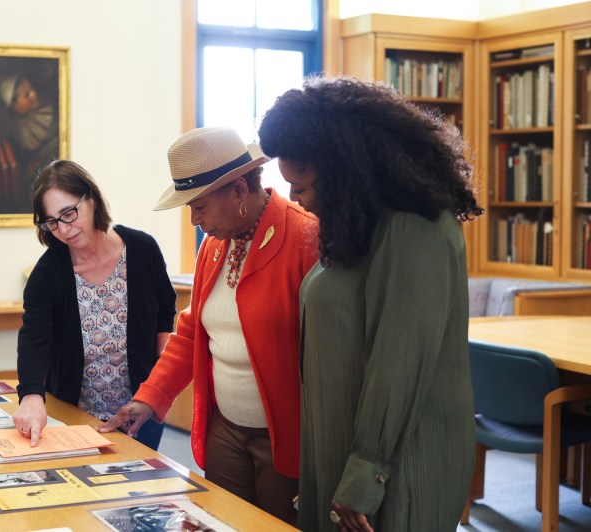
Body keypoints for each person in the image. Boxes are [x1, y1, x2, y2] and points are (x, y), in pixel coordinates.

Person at [258, 75, 484, 531]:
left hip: (399, 463)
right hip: (347, 448)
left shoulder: (414, 227)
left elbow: (399, 364)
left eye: (300, 186)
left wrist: (364, 477)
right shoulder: (358, 224)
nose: (292, 198)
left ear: (343, 167)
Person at [99, 126, 319, 524]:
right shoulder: (214, 246)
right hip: (225, 427)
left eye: (199, 206)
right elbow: (191, 333)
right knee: (220, 522)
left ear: (238, 190)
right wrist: (147, 399)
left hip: (286, 436)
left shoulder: (305, 236)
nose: (194, 221)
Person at [13, 159, 176, 451]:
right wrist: (31, 396)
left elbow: (165, 313)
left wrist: (158, 385)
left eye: (69, 213)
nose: (63, 229)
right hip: (76, 415)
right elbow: (33, 338)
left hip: (141, 411)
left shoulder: (142, 250)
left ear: (91, 200)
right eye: (52, 221)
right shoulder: (48, 272)